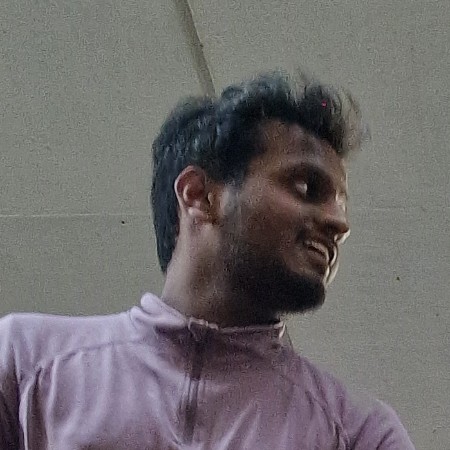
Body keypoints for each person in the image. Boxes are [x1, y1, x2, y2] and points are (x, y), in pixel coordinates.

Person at [0, 71, 415, 449]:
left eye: (341, 203)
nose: (340, 223)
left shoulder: (359, 433)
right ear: (199, 195)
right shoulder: (24, 362)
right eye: (307, 187)